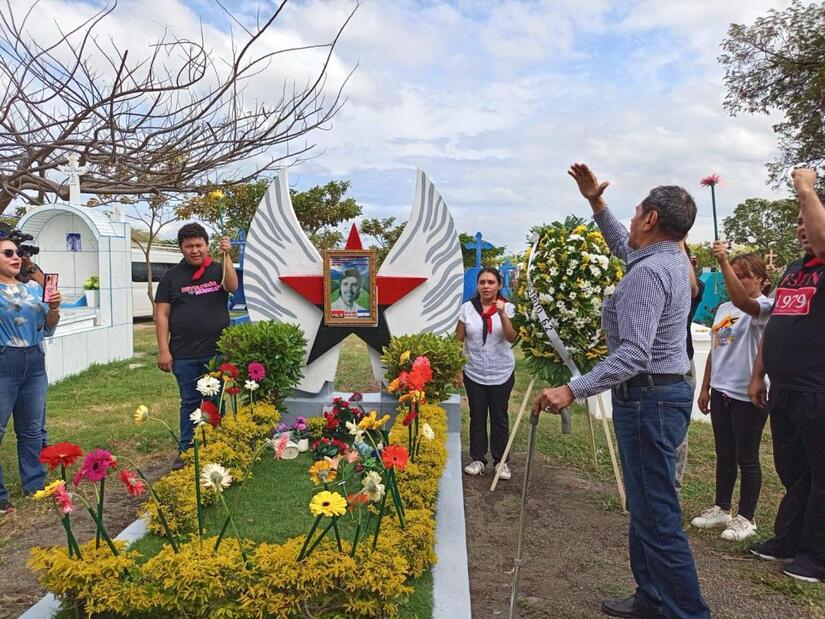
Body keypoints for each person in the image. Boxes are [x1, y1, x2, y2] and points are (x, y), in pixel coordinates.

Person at [534, 163, 710, 619]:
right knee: (647, 507)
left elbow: (633, 354)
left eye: (635, 212)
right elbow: (622, 244)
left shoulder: (649, 274)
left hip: (650, 400)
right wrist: (596, 202)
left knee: (658, 516)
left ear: (651, 219)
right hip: (657, 397)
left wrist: (573, 389)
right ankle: (652, 597)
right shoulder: (667, 258)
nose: (630, 220)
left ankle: (687, 612)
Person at [748, 174, 825, 583]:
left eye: (807, 217)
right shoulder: (794, 271)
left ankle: (818, 556)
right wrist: (758, 373)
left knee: (822, 475)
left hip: (818, 389)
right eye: (797, 219)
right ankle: (791, 539)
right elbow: (777, 323)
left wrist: (807, 189)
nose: (801, 226)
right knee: (795, 471)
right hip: (785, 389)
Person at [691, 244, 772, 542]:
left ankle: (746, 518)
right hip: (722, 391)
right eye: (732, 274)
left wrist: (723, 260)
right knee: (724, 454)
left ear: (761, 279)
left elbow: (746, 306)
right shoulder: (725, 309)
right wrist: (706, 386)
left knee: (746, 457)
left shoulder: (763, 308)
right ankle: (722, 508)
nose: (734, 280)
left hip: (748, 395)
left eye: (743, 276)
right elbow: (716, 349)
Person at [155, 223, 237, 469]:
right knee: (190, 402)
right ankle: (187, 450)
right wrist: (163, 350)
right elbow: (161, 315)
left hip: (215, 353)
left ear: (207, 245)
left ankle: (216, 446)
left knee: (215, 402)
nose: (194, 250)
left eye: (199, 245)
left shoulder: (218, 269)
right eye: (189, 246)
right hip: (183, 353)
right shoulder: (171, 277)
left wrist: (227, 255)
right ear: (181, 248)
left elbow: (232, 286)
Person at [0, 235, 61, 515]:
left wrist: (55, 308)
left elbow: (48, 326)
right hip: (5, 359)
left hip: (35, 359)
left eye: (17, 253)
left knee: (32, 429)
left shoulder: (34, 289)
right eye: (7, 253)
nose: (15, 257)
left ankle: (35, 483)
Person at [455, 267, 517, 480]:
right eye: (482, 282)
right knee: (477, 415)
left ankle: (501, 461)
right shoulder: (467, 309)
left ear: (499, 285)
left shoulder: (508, 307)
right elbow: (458, 340)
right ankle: (478, 459)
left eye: (491, 282)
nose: (486, 286)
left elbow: (512, 337)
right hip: (474, 372)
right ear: (478, 286)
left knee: (500, 416)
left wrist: (502, 314)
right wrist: (457, 370)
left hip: (501, 372)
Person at [675, 239, 704, 494]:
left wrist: (679, 242)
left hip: (681, 366)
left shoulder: (695, 287)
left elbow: (691, 288)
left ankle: (673, 485)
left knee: (676, 429)